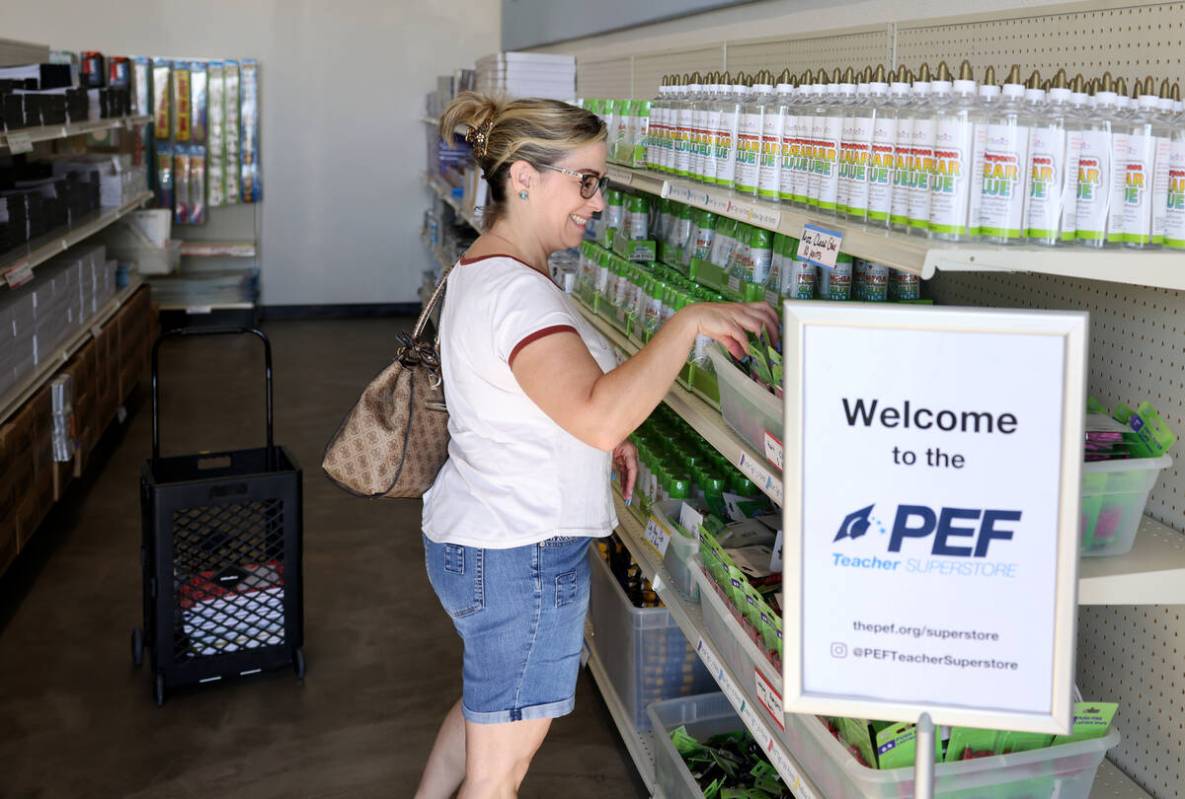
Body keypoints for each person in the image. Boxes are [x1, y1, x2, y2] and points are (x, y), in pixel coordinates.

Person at [416, 92, 778, 799]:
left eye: (599, 182)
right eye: (585, 180)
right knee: (497, 776)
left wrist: (585, 441)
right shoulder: (520, 296)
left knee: (485, 708)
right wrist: (687, 323)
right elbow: (596, 413)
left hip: (481, 537)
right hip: (520, 554)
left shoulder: (489, 268)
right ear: (523, 176)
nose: (597, 202)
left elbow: (534, 399)